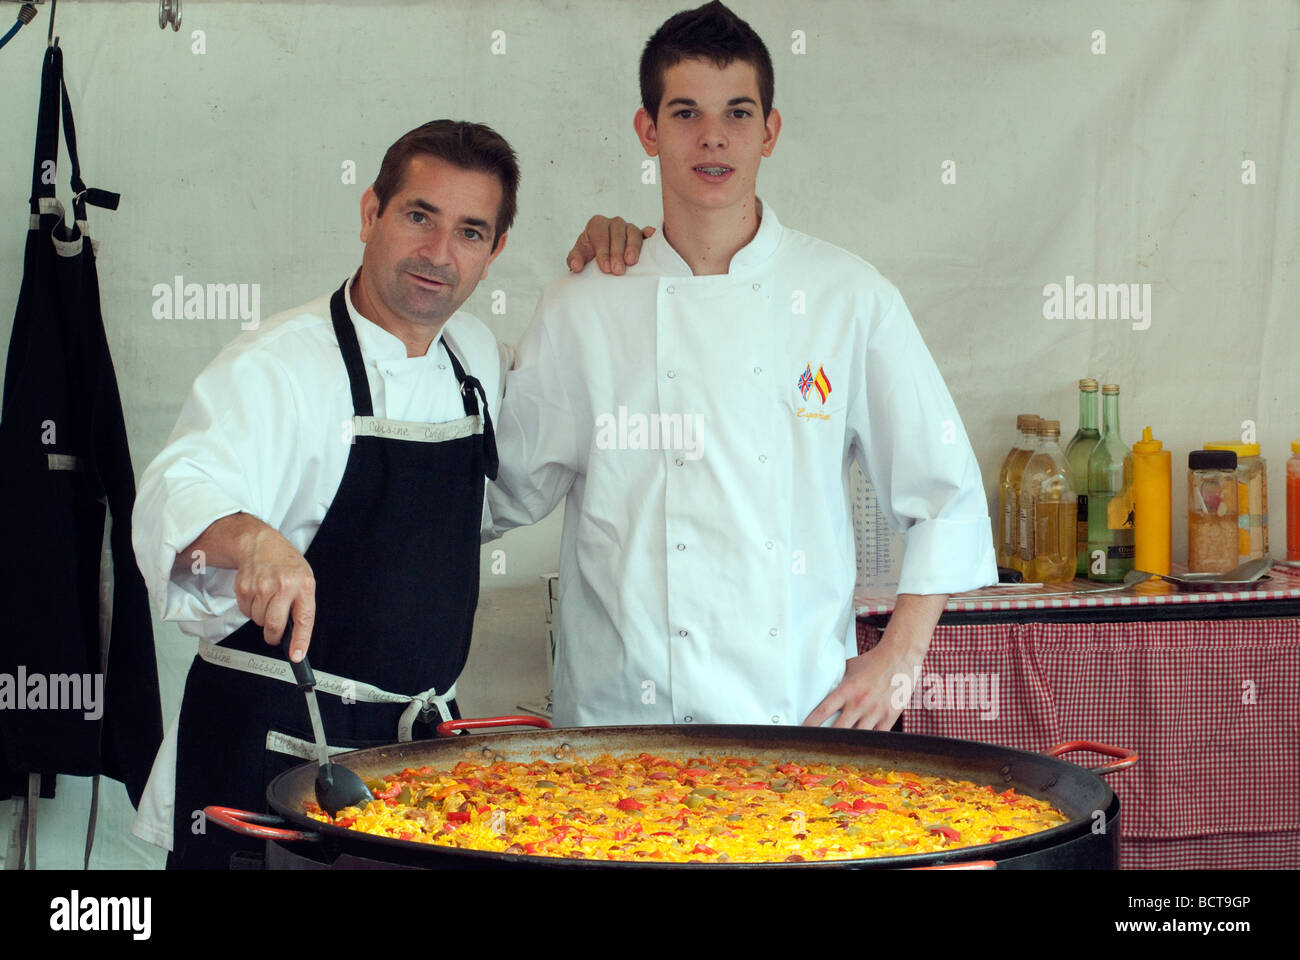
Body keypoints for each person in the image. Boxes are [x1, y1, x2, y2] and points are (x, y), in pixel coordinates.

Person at [130, 120, 646, 868]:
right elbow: (176, 490)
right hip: (271, 756)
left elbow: (526, 462)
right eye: (418, 217)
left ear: (495, 251)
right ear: (371, 213)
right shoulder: (277, 366)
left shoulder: (474, 360)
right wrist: (251, 540)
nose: (439, 254)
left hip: (416, 768)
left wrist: (611, 267)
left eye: (470, 231)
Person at [487, 2, 998, 732]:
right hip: (616, 726)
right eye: (686, 113)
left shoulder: (847, 297)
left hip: (794, 715)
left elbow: (944, 494)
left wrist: (899, 658)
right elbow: (503, 491)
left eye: (737, 112)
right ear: (648, 130)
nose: (713, 137)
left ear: (770, 130)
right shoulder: (583, 305)